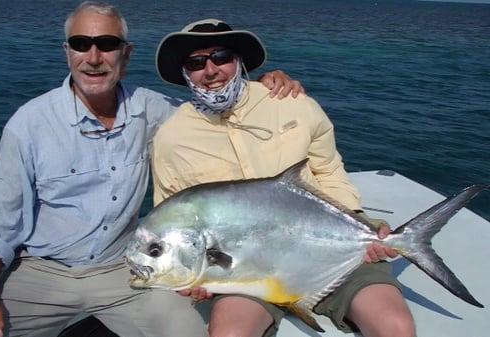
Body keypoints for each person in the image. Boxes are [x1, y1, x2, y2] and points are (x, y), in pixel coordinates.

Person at [0, 3, 305, 337]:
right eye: (81, 44)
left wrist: (263, 85)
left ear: (126, 54)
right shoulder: (28, 124)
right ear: (67, 52)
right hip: (41, 272)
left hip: (124, 271)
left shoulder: (154, 110)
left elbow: (213, 111)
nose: (93, 58)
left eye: (107, 44)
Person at [151, 19, 416, 337]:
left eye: (221, 56)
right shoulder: (172, 138)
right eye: (196, 62)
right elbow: (173, 221)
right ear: (185, 72)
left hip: (332, 253)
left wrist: (361, 228)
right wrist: (186, 276)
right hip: (246, 273)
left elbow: (329, 172)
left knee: (395, 327)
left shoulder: (292, 102)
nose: (211, 70)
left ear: (238, 61)